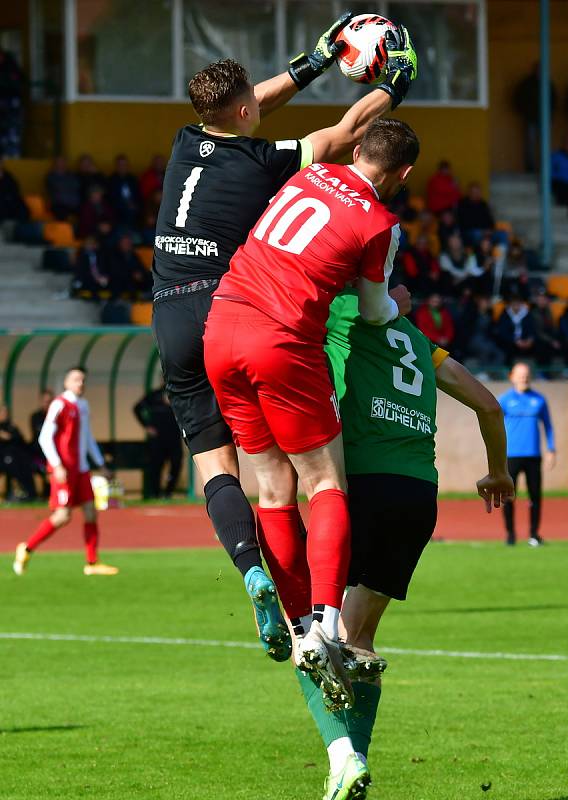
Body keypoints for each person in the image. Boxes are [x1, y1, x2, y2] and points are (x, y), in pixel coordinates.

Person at [151, 17, 416, 667]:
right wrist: (395, 84)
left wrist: (318, 59)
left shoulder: (189, 140)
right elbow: (348, 136)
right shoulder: (274, 165)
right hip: (241, 307)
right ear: (243, 111)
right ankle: (323, 619)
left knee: (222, 470)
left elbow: (248, 102)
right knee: (317, 479)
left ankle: (254, 576)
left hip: (171, 316)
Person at [204, 117, 418, 797]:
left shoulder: (310, 173)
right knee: (324, 481)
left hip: (221, 328)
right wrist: (391, 303)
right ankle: (325, 619)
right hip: (280, 340)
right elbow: (379, 311)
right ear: (405, 173)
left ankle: (298, 624)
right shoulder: (378, 223)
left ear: (356, 151)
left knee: (271, 490)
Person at [274, 289, 513, 799]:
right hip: (417, 494)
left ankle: (346, 756)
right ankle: (354, 762)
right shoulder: (424, 345)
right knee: (358, 638)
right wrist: (497, 472)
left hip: (357, 486)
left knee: (313, 636)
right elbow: (490, 407)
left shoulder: (347, 323)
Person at [13, 367, 118, 576]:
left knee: (90, 512)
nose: (81, 383)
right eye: (76, 379)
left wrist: (100, 464)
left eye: (83, 380)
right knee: (62, 516)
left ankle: (92, 562)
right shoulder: (59, 404)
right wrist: (57, 464)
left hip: (81, 470)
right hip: (65, 470)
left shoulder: (83, 405)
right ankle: (26, 548)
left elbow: (87, 437)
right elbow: (44, 437)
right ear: (66, 383)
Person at [499, 362, 555, 546]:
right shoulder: (504, 400)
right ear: (512, 377)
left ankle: (534, 534)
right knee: (508, 496)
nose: (524, 378)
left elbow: (548, 426)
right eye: (520, 374)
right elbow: (495, 427)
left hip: (533, 455)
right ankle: (510, 535)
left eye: (526, 374)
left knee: (535, 496)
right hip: (511, 455)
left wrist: (551, 449)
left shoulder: (539, 399)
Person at [133, 386, 182, 498]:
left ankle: (168, 492)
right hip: (158, 438)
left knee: (176, 464)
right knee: (156, 466)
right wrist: (147, 426)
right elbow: (137, 408)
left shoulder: (177, 392)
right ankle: (155, 493)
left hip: (174, 437)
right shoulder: (154, 395)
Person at [513, 61, 557, 172]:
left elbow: (554, 101)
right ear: (534, 70)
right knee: (530, 144)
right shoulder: (527, 83)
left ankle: (544, 169)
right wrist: (525, 112)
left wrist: (550, 115)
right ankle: (530, 169)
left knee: (545, 145)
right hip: (531, 119)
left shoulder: (548, 83)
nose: (540, 72)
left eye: (542, 70)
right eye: (538, 69)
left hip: (544, 119)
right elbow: (518, 99)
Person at [0, 405, 36, 501]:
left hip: (16, 456)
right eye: (2, 413)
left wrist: (9, 436)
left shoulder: (11, 426)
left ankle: (29, 493)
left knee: (24, 464)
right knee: (11, 463)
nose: (4, 415)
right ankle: (12, 492)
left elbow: (20, 439)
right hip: (3, 457)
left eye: (6, 413)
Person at [496, 296, 536, 366]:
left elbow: (532, 328)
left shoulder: (527, 314)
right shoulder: (505, 315)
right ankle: (508, 370)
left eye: (518, 303)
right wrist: (515, 340)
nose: (516, 306)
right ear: (510, 304)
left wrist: (530, 339)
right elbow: (503, 332)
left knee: (539, 346)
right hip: (511, 341)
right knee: (506, 348)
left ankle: (539, 371)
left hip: (525, 341)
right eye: (514, 304)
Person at [29, 390, 54, 497]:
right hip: (39, 454)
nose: (47, 404)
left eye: (49, 401)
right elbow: (39, 435)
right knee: (40, 469)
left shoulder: (57, 416)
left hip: (53, 454)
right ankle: (40, 494)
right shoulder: (35, 417)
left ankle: (50, 494)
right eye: (45, 401)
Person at [106, 154, 141, 228]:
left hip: (133, 207)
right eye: (120, 164)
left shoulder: (133, 179)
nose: (122, 167)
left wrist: (135, 204)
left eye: (124, 164)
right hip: (118, 208)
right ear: (116, 166)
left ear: (128, 166)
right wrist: (125, 205)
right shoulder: (111, 180)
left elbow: (138, 195)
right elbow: (111, 198)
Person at [45, 156, 81, 220]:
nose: (61, 164)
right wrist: (67, 186)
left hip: (74, 204)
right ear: (55, 164)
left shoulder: (72, 175)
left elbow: (76, 186)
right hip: (59, 204)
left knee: (86, 213)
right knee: (61, 215)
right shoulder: (51, 176)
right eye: (59, 162)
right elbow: (58, 187)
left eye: (63, 162)